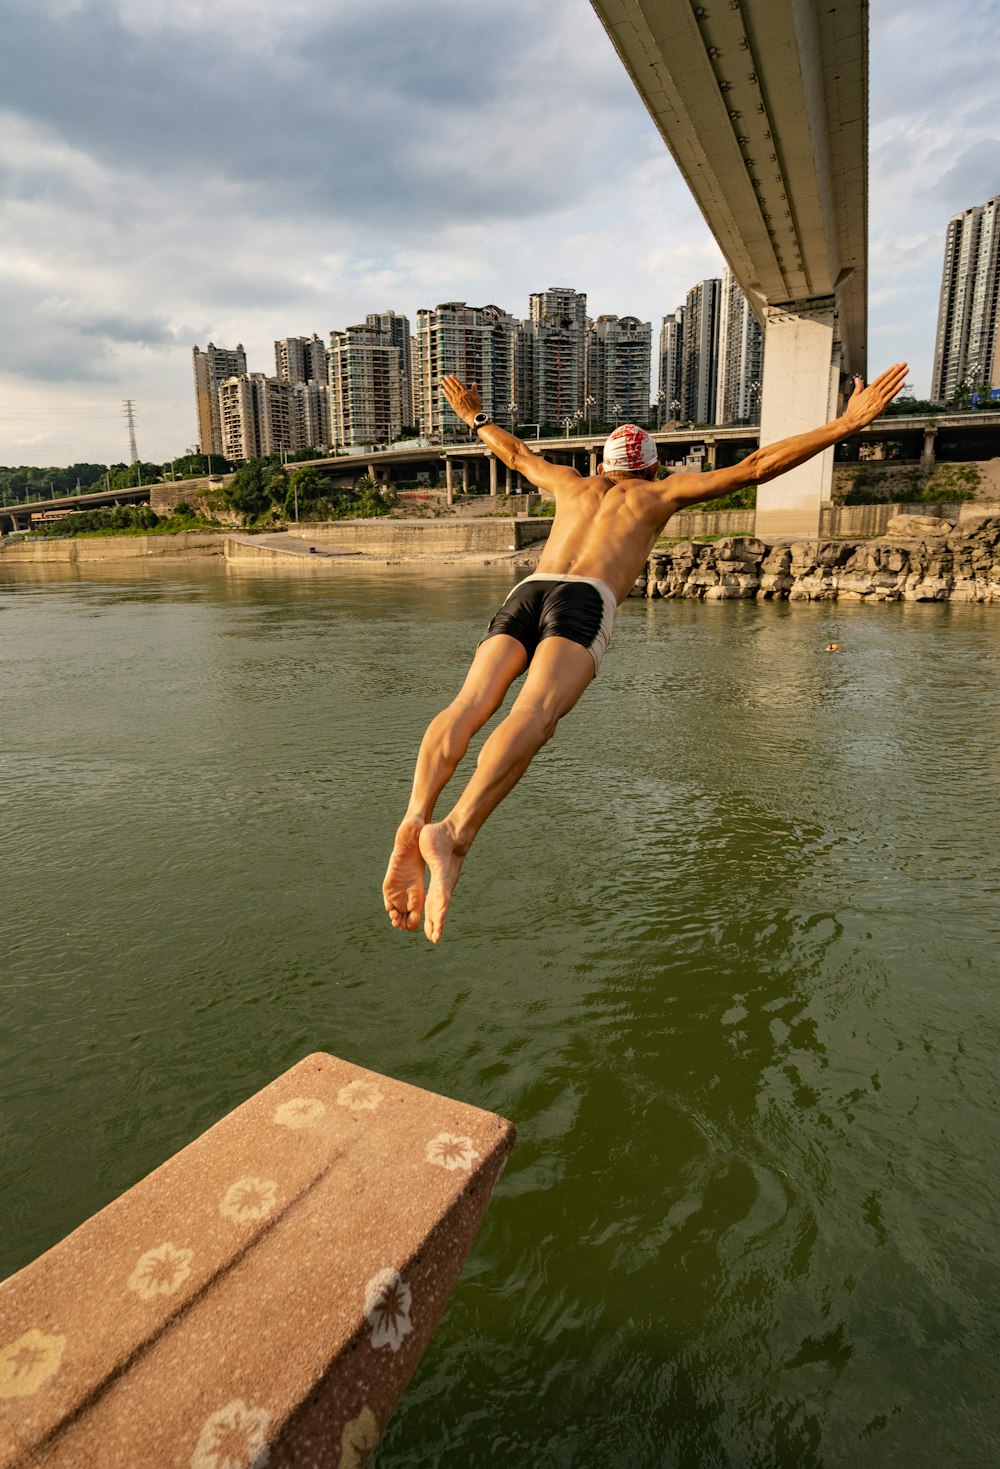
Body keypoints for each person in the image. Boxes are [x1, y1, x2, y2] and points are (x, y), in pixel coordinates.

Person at [383, 363, 908, 942]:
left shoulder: (568, 481)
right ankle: (453, 833)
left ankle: (414, 815)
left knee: (469, 703)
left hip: (528, 590)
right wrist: (844, 425)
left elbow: (514, 455)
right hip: (583, 599)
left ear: (600, 467)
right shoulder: (660, 493)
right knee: (533, 716)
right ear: (652, 467)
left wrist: (474, 417)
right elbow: (756, 466)